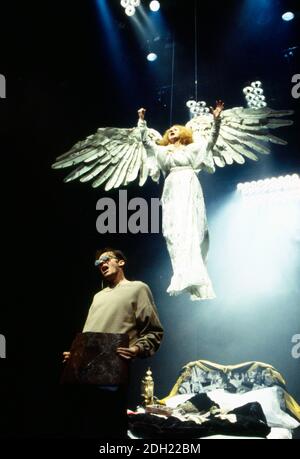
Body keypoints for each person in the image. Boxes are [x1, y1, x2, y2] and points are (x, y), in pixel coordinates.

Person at [62, 248, 164, 438]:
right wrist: (76, 353)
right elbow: (89, 335)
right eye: (98, 263)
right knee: (82, 427)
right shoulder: (98, 296)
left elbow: (153, 331)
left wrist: (137, 348)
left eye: (106, 259)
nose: (101, 264)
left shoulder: (138, 288)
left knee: (109, 429)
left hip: (112, 372)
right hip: (82, 376)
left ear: (121, 262)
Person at [137, 101, 224, 301]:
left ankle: (198, 274)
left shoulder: (193, 148)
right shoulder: (162, 151)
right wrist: (142, 121)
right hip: (172, 186)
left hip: (189, 183)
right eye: (170, 130)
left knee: (192, 227)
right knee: (172, 231)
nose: (172, 131)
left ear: (183, 134)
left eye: (176, 129)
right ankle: (181, 274)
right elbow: (146, 142)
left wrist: (216, 119)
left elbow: (211, 140)